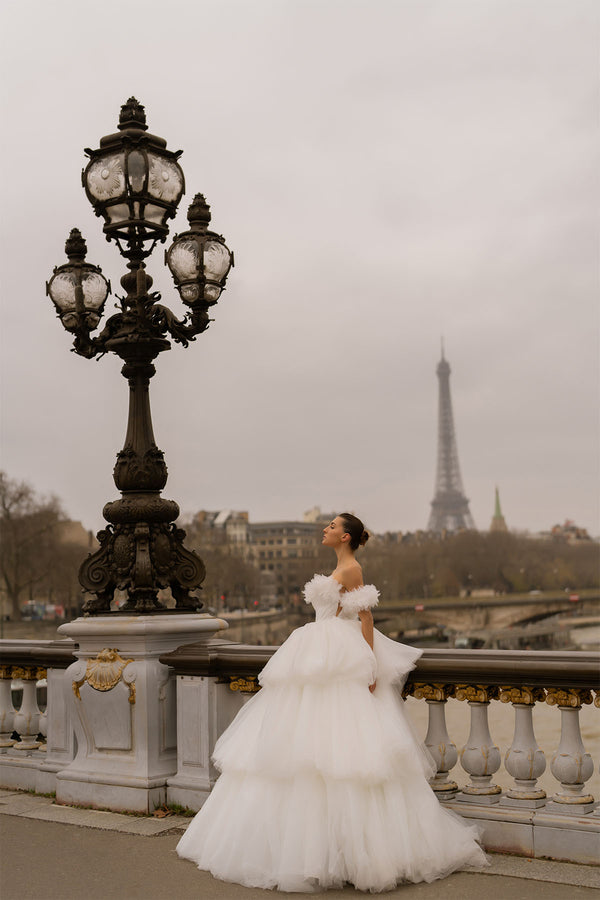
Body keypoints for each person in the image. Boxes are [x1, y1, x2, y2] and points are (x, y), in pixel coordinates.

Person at [176, 513, 487, 892]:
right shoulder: (341, 565)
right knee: (319, 755)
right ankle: (333, 852)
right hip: (322, 649)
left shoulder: (353, 568)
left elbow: (366, 618)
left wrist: (370, 664)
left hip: (334, 653)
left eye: (332, 525)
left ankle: (326, 854)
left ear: (346, 536)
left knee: (325, 756)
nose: (325, 528)